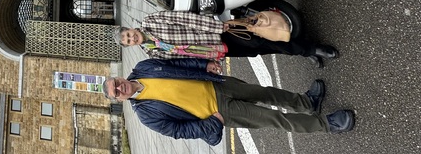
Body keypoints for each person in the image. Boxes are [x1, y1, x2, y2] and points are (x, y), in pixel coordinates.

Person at [103, 58, 355, 146]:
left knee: (266, 93)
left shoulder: (143, 67)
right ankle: (327, 124)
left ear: (118, 76)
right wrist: (212, 124)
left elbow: (177, 64)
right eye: (117, 92)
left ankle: (307, 103)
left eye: (116, 82)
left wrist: (204, 65)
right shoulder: (146, 116)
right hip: (220, 111)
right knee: (273, 118)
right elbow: (179, 131)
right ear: (119, 98)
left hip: (218, 85)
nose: (120, 87)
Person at [114, 10, 339, 67]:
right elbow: (181, 58)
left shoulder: (151, 21)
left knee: (263, 40)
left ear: (131, 28)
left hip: (217, 33)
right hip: (215, 51)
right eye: (127, 41)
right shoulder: (151, 51)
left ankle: (312, 49)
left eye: (127, 34)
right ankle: (303, 51)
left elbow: (184, 19)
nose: (131, 38)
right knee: (260, 50)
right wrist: (210, 63)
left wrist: (216, 25)